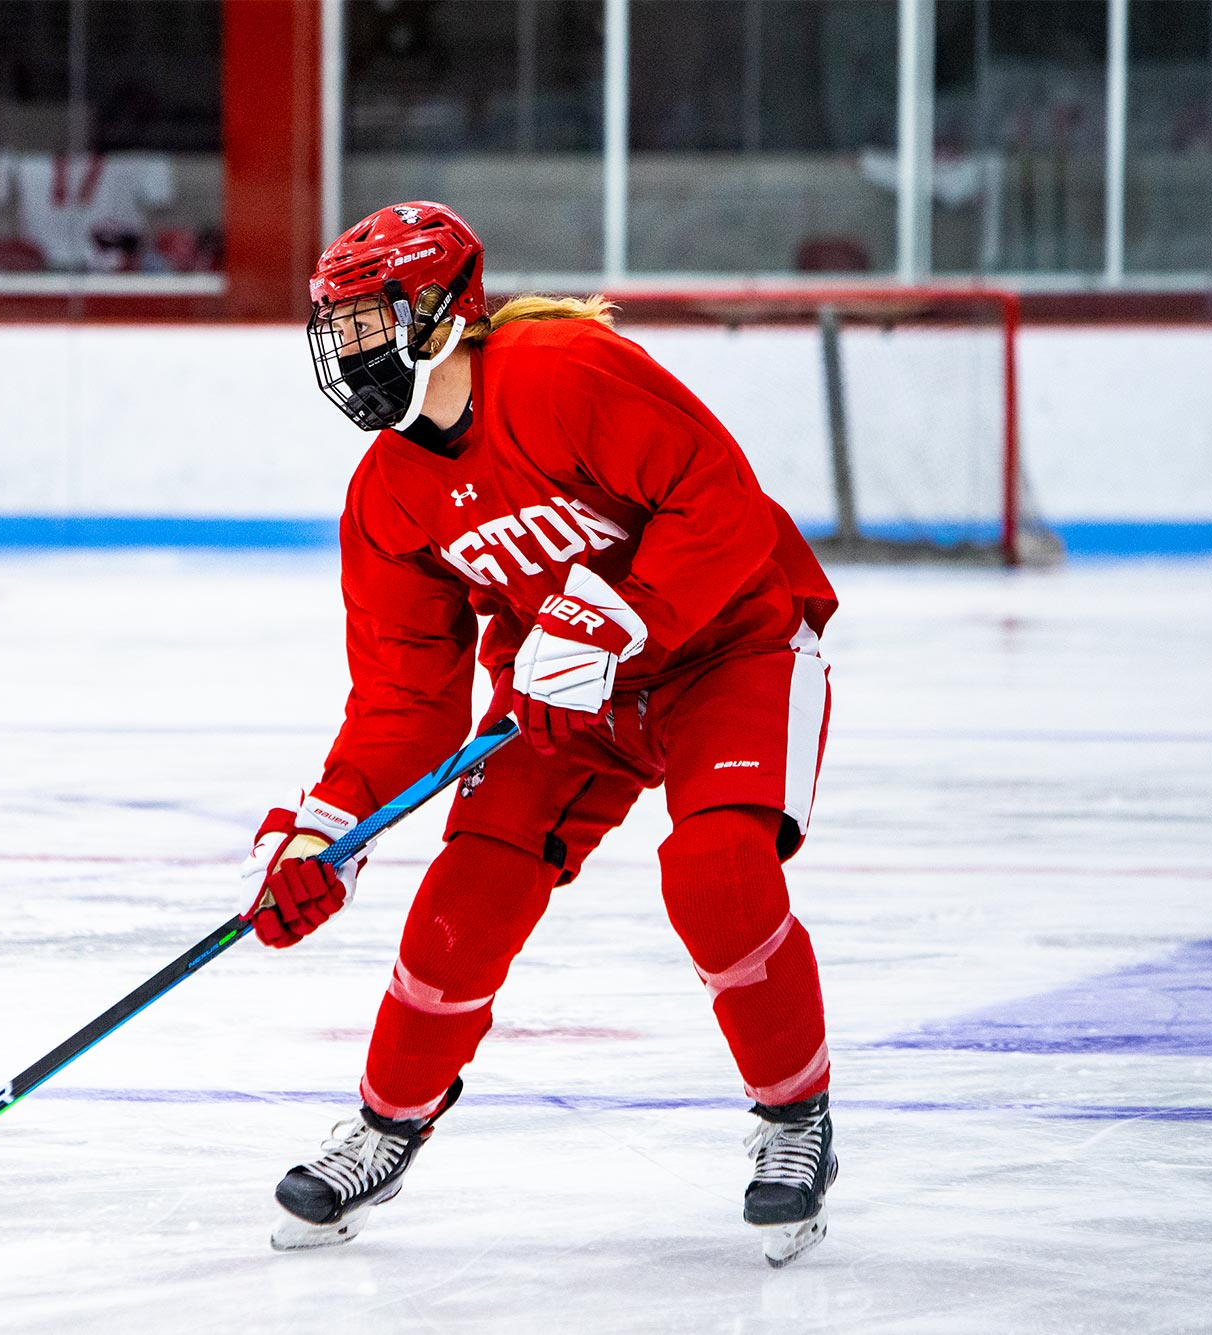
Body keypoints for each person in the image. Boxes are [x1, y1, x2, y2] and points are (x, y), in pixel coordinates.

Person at [242, 202, 841, 1268]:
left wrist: (623, 615)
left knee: (714, 874)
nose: (347, 353)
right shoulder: (385, 498)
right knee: (458, 905)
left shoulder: (561, 371)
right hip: (569, 698)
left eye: (364, 325)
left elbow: (720, 502)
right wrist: (319, 834)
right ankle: (386, 1126)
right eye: (333, 333)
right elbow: (402, 701)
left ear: (438, 310)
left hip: (728, 645)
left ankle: (794, 1121)